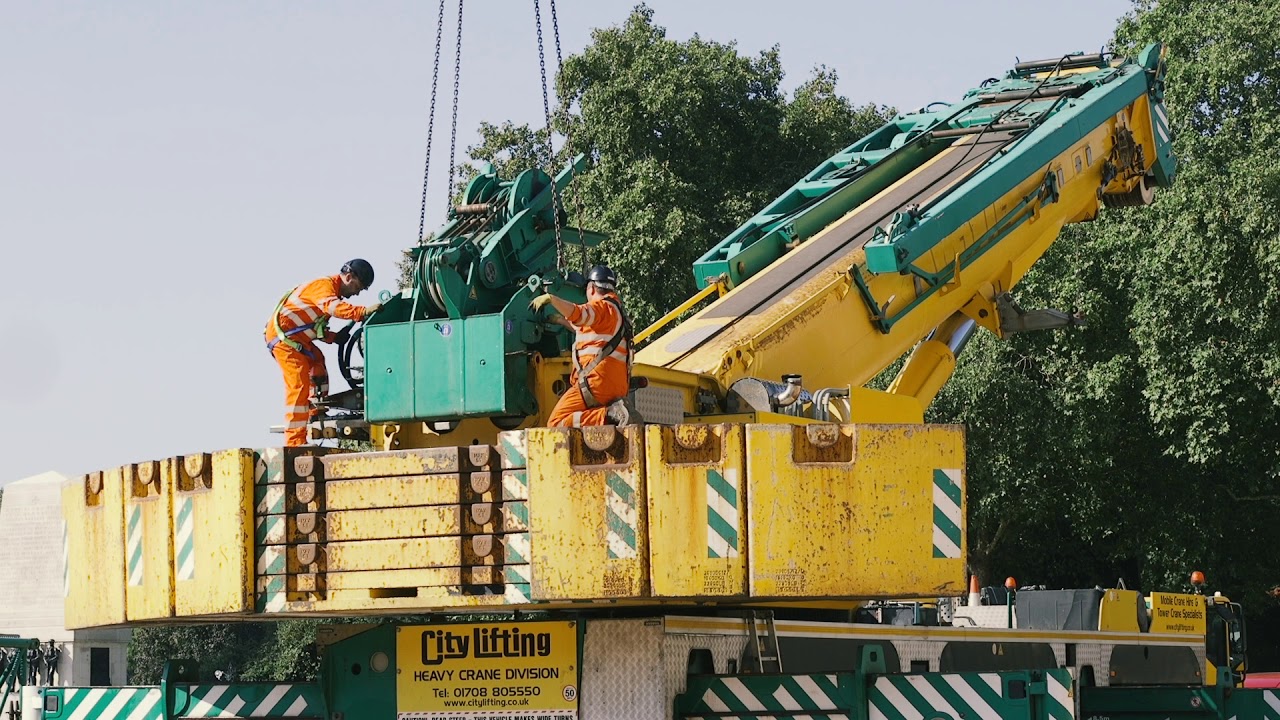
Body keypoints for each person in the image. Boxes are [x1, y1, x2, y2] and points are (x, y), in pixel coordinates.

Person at [265, 259, 380, 446]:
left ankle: (316, 410)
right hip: (285, 340)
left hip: (297, 338)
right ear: (349, 277)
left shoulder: (329, 293)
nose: (358, 292)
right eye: (358, 287)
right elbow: (332, 308)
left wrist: (334, 338)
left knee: (317, 361)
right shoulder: (323, 287)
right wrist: (362, 311)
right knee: (299, 385)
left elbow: (314, 328)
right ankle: (294, 442)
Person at [530, 264, 641, 427]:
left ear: (592, 288)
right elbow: (586, 329)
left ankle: (609, 414)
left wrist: (551, 299)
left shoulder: (601, 307)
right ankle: (611, 415)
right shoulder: (616, 312)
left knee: (555, 423)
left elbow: (580, 314)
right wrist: (559, 320)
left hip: (597, 383)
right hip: (617, 386)